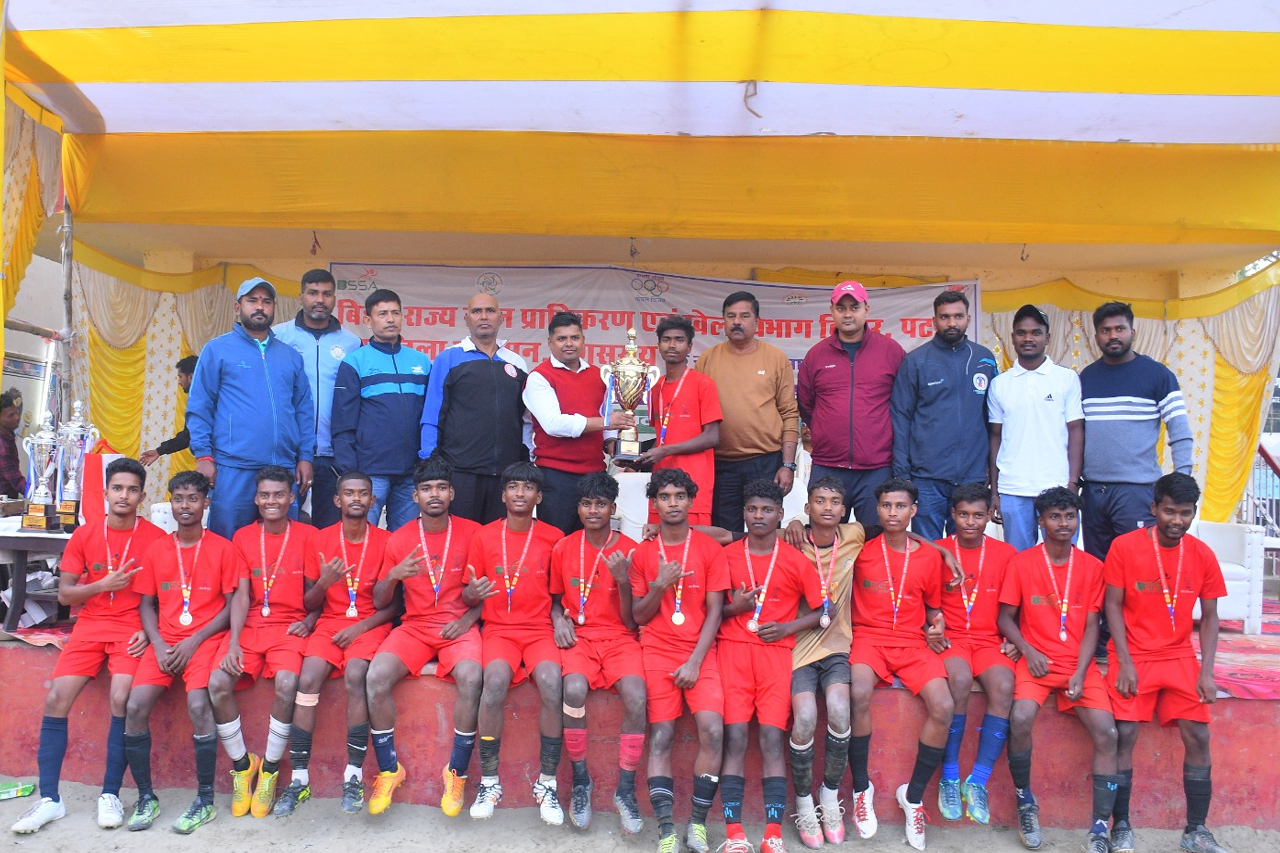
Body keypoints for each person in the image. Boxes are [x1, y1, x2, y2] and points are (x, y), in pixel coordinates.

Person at [10, 458, 166, 835]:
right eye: (117, 488)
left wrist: (152, 630)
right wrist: (101, 586)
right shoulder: (85, 534)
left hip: (131, 628)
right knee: (56, 699)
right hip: (91, 625)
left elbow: (168, 596)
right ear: (105, 493)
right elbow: (65, 593)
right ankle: (50, 799)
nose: (124, 495)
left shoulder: (156, 539)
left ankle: (109, 794)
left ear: (142, 496)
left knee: (120, 697)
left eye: (132, 489)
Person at [1103, 473, 1230, 853]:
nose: (1177, 520)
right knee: (1125, 733)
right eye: (1170, 511)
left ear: (1194, 512)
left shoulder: (1202, 554)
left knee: (1199, 736)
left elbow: (1210, 616)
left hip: (1178, 655)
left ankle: (1196, 831)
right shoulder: (1124, 547)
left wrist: (1207, 671)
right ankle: (1121, 826)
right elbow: (1112, 606)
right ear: (1154, 508)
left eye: (1185, 513)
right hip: (1133, 653)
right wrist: (1125, 661)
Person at [997, 487, 1118, 853]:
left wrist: (1081, 672)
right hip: (1036, 662)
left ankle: (1099, 828)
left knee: (1108, 732)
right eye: (1054, 517)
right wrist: (1027, 649)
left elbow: (1093, 625)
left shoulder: (1092, 567)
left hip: (1078, 665)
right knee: (1020, 718)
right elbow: (1005, 618)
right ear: (1040, 521)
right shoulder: (1022, 563)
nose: (1063, 523)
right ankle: (1025, 803)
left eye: (1069, 516)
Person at [122, 471, 242, 834]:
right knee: (134, 706)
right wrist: (158, 643)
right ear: (170, 503)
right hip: (166, 642)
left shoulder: (223, 548)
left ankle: (205, 800)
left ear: (206, 503)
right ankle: (146, 797)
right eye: (178, 499)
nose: (185, 506)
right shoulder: (157, 549)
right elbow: (146, 604)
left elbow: (231, 606)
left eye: (193, 499)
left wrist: (194, 640)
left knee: (198, 705)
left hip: (204, 641)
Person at [364, 458, 483, 817]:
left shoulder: (474, 533)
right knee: (376, 676)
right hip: (414, 627)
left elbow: (483, 593)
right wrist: (394, 576)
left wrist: (468, 619)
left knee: (472, 677)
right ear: (415, 496)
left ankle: (456, 771)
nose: (435, 494)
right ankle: (389, 769)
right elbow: (380, 601)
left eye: (441, 488)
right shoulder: (399, 538)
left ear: (452, 493)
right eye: (427, 488)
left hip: (457, 627)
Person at [278, 471, 394, 816]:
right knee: (307, 680)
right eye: (349, 493)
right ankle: (299, 778)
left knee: (356, 675)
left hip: (369, 624)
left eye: (363, 493)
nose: (356, 499)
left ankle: (353, 775)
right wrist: (324, 582)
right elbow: (310, 602)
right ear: (336, 499)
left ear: (373, 500)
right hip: (329, 623)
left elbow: (394, 606)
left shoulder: (387, 540)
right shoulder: (319, 539)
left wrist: (359, 629)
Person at [847, 477, 953, 851]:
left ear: (914, 510)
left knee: (944, 706)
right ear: (877, 510)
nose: (893, 513)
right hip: (868, 638)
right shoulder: (860, 550)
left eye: (901, 506)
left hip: (912, 642)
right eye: (886, 506)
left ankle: (914, 796)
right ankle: (862, 789)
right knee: (857, 693)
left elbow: (934, 609)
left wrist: (937, 624)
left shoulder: (929, 556)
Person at [718, 480, 823, 853]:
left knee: (771, 740)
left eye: (766, 510)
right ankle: (734, 834)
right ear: (744, 513)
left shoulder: (794, 559)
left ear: (780, 514)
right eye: (752, 509)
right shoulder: (726, 556)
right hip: (732, 652)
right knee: (734, 739)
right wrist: (735, 608)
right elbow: (710, 612)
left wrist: (788, 627)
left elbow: (823, 611)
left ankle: (772, 834)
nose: (758, 516)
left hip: (775, 655)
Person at [207, 466, 318, 819]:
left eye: (279, 494)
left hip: (289, 629)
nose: (272, 501)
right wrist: (234, 642)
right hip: (251, 626)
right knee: (217, 684)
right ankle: (243, 766)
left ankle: (269, 769)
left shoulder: (309, 535)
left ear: (292, 498)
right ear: (256, 499)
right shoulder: (242, 537)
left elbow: (318, 593)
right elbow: (240, 596)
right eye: (265, 495)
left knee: (287, 684)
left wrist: (310, 620)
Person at [629, 467, 729, 853]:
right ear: (654, 503)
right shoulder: (643, 553)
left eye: (680, 496)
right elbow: (639, 616)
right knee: (662, 736)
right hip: (656, 651)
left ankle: (697, 824)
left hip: (700, 652)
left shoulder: (709, 549)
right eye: (665, 497)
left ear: (691, 501)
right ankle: (667, 829)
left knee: (713, 731)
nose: (673, 503)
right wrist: (659, 585)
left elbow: (716, 611)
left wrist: (695, 662)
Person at [461, 462, 566, 823]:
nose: (520, 493)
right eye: (514, 487)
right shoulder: (484, 536)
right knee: (493, 682)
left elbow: (558, 596)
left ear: (539, 497)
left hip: (539, 630)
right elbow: (469, 594)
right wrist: (472, 594)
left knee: (552, 681)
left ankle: (547, 783)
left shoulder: (554, 537)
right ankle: (489, 782)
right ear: (503, 494)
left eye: (528, 488)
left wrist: (558, 619)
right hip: (499, 630)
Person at [548, 472, 646, 831]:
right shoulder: (563, 547)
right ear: (578, 508)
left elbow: (632, 620)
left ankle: (625, 789)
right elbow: (555, 600)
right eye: (587, 504)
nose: (593, 510)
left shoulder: (631, 549)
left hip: (620, 637)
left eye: (600, 504)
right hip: (581, 637)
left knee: (637, 696)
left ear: (612, 508)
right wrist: (558, 620)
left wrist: (622, 579)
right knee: (573, 690)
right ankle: (580, 781)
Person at [187, 277, 315, 539]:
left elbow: (303, 410)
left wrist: (305, 457)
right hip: (234, 466)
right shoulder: (217, 350)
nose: (260, 307)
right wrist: (203, 455)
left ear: (274, 308)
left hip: (282, 467)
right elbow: (200, 406)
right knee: (229, 542)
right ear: (238, 307)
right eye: (252, 301)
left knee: (281, 545)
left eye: (266, 301)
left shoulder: (290, 356)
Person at [779, 476, 867, 849]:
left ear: (844, 509)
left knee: (840, 711)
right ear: (807, 507)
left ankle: (829, 796)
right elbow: (747, 536)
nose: (827, 507)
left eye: (834, 501)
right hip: (798, 648)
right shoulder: (791, 540)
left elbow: (900, 531)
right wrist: (790, 525)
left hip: (836, 646)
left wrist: (943, 552)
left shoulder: (855, 535)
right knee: (804, 719)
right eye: (819, 500)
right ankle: (803, 802)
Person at [930, 483, 1018, 825]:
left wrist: (1016, 639)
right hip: (951, 638)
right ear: (952, 514)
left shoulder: (1006, 553)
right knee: (960, 680)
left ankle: (978, 780)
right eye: (963, 514)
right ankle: (950, 776)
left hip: (988, 640)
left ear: (989, 516)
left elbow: (1014, 605)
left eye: (978, 515)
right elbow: (925, 599)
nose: (970, 522)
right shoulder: (938, 549)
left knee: (1004, 686)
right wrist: (932, 627)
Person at [1080, 302, 1194, 560]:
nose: (1113, 335)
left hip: (1137, 491)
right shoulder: (1086, 378)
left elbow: (1179, 431)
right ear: (1096, 336)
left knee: (1139, 564)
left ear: (1133, 332)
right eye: (1106, 330)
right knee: (1098, 565)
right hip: (1093, 492)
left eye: (1120, 328)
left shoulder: (1158, 375)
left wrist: (1182, 480)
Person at [891, 290, 998, 538]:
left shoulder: (984, 359)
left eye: (958, 316)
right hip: (926, 478)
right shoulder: (916, 361)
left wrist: (991, 472)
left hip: (972, 476)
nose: (951, 323)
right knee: (928, 549)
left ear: (968, 319)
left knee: (965, 548)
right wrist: (902, 474)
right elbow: (900, 417)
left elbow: (994, 419)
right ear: (934, 321)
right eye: (944, 317)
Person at [798, 281, 906, 527]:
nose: (847, 314)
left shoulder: (890, 351)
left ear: (867, 309)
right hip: (828, 466)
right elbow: (806, 405)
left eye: (854, 307)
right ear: (832, 311)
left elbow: (903, 404)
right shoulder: (816, 355)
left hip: (877, 467)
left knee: (876, 538)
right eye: (841, 308)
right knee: (824, 537)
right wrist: (828, 430)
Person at [420, 293, 530, 524]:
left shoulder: (517, 363)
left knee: (497, 540)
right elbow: (432, 414)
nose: (484, 316)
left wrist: (525, 459)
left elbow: (525, 419)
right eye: (477, 311)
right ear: (466, 319)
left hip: (505, 474)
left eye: (490, 311)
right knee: (461, 539)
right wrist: (431, 461)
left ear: (501, 318)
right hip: (461, 472)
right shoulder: (449, 358)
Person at [696, 290, 800, 531]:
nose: (737, 322)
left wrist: (788, 465)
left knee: (765, 531)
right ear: (723, 321)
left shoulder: (775, 358)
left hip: (765, 462)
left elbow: (789, 413)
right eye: (731, 316)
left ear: (756, 322)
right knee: (724, 534)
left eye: (744, 316)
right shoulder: (707, 360)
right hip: (721, 464)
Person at [332, 288, 431, 530]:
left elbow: (430, 416)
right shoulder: (355, 362)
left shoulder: (421, 361)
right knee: (364, 537)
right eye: (383, 314)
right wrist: (350, 471)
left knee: (404, 542)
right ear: (368, 320)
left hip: (412, 471)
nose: (390, 319)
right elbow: (343, 421)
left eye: (395, 313)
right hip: (370, 471)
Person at [987, 305, 1084, 551]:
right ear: (1012, 338)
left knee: (1063, 558)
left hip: (1057, 486)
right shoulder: (999, 384)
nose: (1028, 338)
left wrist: (1072, 483)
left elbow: (1076, 431)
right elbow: (995, 437)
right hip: (1013, 488)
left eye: (1036, 333)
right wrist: (995, 492)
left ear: (1047, 338)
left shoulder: (1067, 379)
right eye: (1021, 333)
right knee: (1018, 560)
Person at [523, 311, 629, 534]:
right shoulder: (539, 377)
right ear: (550, 343)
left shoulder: (599, 375)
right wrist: (605, 423)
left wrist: (612, 443)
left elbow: (605, 415)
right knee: (556, 539)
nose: (569, 344)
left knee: (593, 540)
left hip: (595, 473)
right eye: (561, 338)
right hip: (556, 476)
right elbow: (553, 424)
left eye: (574, 337)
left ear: (583, 340)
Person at [273, 269, 361, 528]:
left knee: (330, 530)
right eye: (313, 293)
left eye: (326, 294)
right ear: (301, 296)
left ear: (335, 299)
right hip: (289, 451)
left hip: (334, 453)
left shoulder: (352, 343)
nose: (320, 300)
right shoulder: (278, 337)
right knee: (284, 526)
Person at [637, 315, 723, 526]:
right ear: (659, 345)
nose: (672, 345)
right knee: (660, 541)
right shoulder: (656, 387)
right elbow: (662, 439)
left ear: (689, 346)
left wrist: (666, 450)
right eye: (666, 339)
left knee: (694, 543)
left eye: (679, 340)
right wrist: (635, 459)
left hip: (694, 486)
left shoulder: (703, 383)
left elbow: (712, 437)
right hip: (661, 487)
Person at [139, 355, 199, 467]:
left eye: (180, 377)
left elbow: (188, 435)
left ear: (190, 377)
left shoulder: (201, 401)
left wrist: (159, 451)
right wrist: (159, 451)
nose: (179, 382)